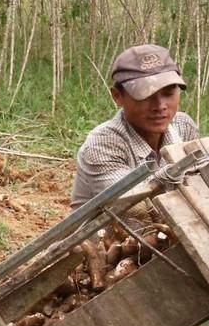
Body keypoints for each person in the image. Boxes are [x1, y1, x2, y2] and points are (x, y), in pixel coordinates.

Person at [71, 44, 201, 206]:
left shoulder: (184, 126)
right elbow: (137, 206)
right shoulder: (102, 145)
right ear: (117, 96)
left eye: (168, 93)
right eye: (146, 95)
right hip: (115, 229)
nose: (160, 105)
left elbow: (199, 181)